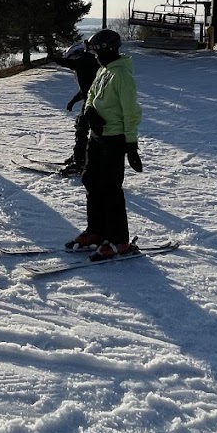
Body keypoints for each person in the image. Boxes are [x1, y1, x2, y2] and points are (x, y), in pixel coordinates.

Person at [66, 27, 143, 261]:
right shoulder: (104, 70)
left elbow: (132, 113)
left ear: (108, 50)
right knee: (91, 180)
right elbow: (90, 95)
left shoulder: (121, 76)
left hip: (115, 139)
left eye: (97, 51)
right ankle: (97, 232)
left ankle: (119, 241)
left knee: (111, 189)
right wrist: (90, 111)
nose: (95, 56)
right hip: (97, 138)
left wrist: (131, 146)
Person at [57, 41, 100, 174]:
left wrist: (54, 59)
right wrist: (73, 101)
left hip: (94, 103)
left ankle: (79, 162)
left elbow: (70, 64)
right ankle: (80, 156)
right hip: (92, 101)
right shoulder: (89, 64)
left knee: (82, 129)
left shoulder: (86, 63)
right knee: (82, 128)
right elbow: (85, 89)